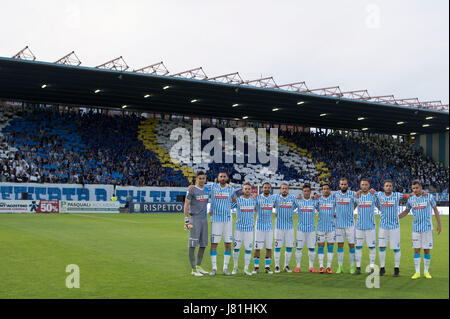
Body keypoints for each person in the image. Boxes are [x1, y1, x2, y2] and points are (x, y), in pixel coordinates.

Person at [399, 180, 442, 279]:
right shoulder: (411, 200)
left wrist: (439, 224)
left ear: (421, 188)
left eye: (417, 188)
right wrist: (397, 217)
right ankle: (417, 272)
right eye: (413, 188)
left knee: (427, 250)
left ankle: (426, 271)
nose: (415, 190)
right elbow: (406, 211)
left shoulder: (429, 197)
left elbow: (435, 209)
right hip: (416, 229)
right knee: (416, 250)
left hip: (427, 228)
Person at [183, 171, 209, 277]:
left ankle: (198, 266)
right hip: (195, 219)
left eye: (203, 178)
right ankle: (193, 269)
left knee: (203, 244)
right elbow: (186, 204)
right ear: (196, 179)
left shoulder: (207, 189)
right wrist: (186, 220)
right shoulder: (191, 190)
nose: (202, 180)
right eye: (200, 178)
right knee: (192, 244)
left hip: (204, 219)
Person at [231, 183, 257, 276]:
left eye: (249, 189)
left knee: (248, 249)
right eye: (245, 189)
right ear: (243, 190)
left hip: (249, 229)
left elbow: (258, 209)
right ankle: (235, 266)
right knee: (236, 248)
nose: (247, 190)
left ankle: (246, 268)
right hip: (239, 229)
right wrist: (232, 200)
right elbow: (229, 205)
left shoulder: (254, 201)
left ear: (251, 190)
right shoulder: (238, 200)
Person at [354, 178, 379, 275]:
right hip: (359, 226)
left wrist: (376, 193)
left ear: (369, 186)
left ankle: (372, 267)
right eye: (363, 184)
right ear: (360, 185)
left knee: (372, 247)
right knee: (358, 247)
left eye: (366, 185)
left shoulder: (373, 196)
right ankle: (358, 267)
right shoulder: (357, 196)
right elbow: (352, 207)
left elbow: (381, 206)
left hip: (370, 227)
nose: (364, 186)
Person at [273, 183, 299, 273]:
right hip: (279, 227)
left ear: (288, 190)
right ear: (280, 189)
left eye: (286, 188)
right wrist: (274, 210)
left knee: (289, 246)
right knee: (277, 246)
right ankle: (276, 266)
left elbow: (297, 206)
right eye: (283, 188)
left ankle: (286, 265)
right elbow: (270, 205)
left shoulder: (292, 198)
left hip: (289, 227)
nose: (284, 190)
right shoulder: (276, 197)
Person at [333, 177, 357, 274]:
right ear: (339, 185)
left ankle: (352, 267)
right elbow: (332, 205)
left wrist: (351, 211)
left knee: (351, 245)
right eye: (342, 184)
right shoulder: (335, 195)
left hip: (350, 224)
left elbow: (356, 203)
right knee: (340, 245)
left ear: (348, 185)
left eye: (345, 184)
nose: (343, 185)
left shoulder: (352, 194)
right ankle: (340, 266)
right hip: (338, 224)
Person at [295, 184, 318, 273]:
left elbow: (321, 205)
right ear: (302, 192)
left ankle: (311, 267)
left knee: (312, 248)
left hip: (311, 229)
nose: (306, 193)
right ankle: (298, 267)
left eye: (308, 191)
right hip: (300, 229)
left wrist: (317, 196)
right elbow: (290, 206)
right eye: (305, 191)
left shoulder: (314, 202)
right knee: (298, 249)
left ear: (310, 192)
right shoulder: (298, 201)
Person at [253, 182, 275, 274]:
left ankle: (267, 267)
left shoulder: (273, 198)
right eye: (265, 187)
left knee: (269, 248)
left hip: (269, 227)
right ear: (262, 188)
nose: (266, 189)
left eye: (268, 187)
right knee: (257, 248)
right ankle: (256, 268)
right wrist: (253, 197)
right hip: (259, 227)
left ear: (270, 189)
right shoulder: (257, 198)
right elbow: (254, 208)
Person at [314, 183, 336, 274]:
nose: (325, 190)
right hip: (320, 227)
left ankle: (329, 267)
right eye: (324, 189)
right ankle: (321, 266)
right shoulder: (318, 200)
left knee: (330, 247)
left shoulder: (334, 200)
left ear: (330, 190)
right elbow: (313, 207)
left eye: (327, 189)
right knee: (320, 247)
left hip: (331, 227)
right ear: (322, 190)